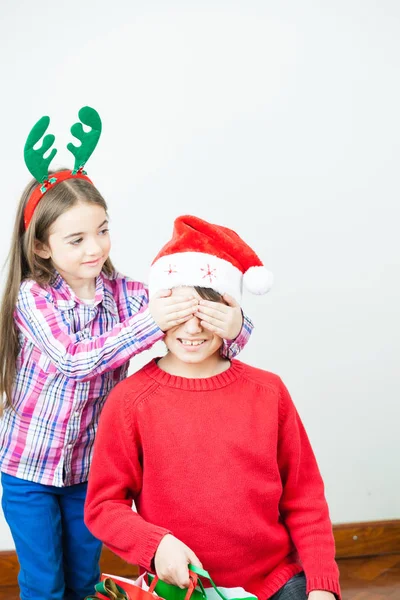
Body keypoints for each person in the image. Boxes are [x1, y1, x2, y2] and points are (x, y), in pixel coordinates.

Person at [0, 109, 253, 600]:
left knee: (82, 578)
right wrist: (151, 320)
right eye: (76, 239)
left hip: (90, 473)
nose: (95, 247)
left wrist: (233, 324)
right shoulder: (33, 297)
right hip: (28, 470)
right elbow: (75, 360)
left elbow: (190, 317)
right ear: (44, 247)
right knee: (43, 582)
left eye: (103, 230)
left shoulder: (126, 294)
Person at [84, 215, 341, 600]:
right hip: (181, 589)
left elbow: (305, 499)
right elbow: (103, 506)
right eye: (179, 314)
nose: (192, 330)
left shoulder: (269, 392)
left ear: (230, 312)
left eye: (206, 314)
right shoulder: (129, 402)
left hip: (275, 582)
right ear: (157, 313)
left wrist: (322, 586)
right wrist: (156, 545)